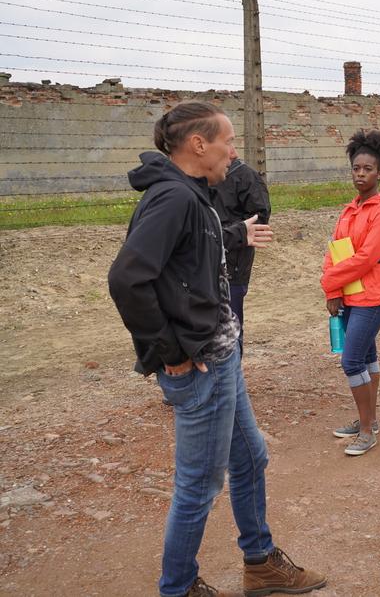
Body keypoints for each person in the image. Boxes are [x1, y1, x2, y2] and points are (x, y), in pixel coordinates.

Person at [108, 102, 325, 597]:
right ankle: (178, 587)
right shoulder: (173, 198)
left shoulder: (193, 194)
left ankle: (261, 563)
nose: (234, 151)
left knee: (250, 459)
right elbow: (127, 280)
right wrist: (169, 353)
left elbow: (191, 248)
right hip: (199, 366)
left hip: (221, 358)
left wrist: (235, 232)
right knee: (199, 486)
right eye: (228, 140)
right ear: (198, 145)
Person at [321, 130, 380, 457]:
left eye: (367, 169)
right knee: (367, 358)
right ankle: (370, 419)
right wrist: (335, 286)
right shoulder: (350, 209)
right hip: (350, 294)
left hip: (373, 295)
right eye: (356, 168)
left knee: (352, 361)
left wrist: (328, 283)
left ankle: (366, 431)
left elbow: (367, 257)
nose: (360, 174)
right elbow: (337, 249)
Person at [212, 146, 272, 351]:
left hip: (232, 267)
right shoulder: (199, 178)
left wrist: (225, 234)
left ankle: (232, 372)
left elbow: (259, 219)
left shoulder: (245, 176)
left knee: (230, 327)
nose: (232, 150)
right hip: (204, 265)